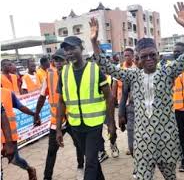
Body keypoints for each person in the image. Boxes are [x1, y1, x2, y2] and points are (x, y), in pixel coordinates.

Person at [89, 1, 184, 179]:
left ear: (158, 55)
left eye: (152, 55)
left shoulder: (168, 72)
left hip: (166, 141)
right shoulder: (133, 76)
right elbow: (107, 67)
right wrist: (94, 42)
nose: (149, 59)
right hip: (143, 143)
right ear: (138, 58)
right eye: (144, 56)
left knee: (171, 177)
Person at [55, 36, 116, 180]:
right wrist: (58, 128)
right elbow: (61, 102)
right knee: (91, 159)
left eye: (72, 48)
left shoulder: (95, 69)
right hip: (76, 125)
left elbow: (109, 97)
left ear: (81, 49)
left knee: (90, 163)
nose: (69, 52)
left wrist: (111, 123)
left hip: (94, 125)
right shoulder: (64, 73)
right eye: (66, 50)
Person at [34, 49, 84, 180]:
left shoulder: (75, 73)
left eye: (61, 60)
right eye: (56, 60)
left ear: (67, 61)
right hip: (57, 121)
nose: (58, 63)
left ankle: (80, 166)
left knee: (79, 145)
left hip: (73, 118)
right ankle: (47, 177)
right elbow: (42, 96)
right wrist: (36, 113)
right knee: (52, 151)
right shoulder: (49, 76)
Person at [1, 87, 40, 180]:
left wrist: (34, 114)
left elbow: (20, 106)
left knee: (14, 160)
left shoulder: (7, 93)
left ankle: (29, 169)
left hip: (8, 136)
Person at [118, 53, 142, 157]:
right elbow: (124, 95)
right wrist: (121, 115)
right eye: (137, 58)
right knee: (132, 144)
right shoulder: (130, 75)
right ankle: (137, 160)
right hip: (132, 110)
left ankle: (143, 167)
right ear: (134, 60)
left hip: (150, 113)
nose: (139, 61)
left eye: (141, 58)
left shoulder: (155, 74)